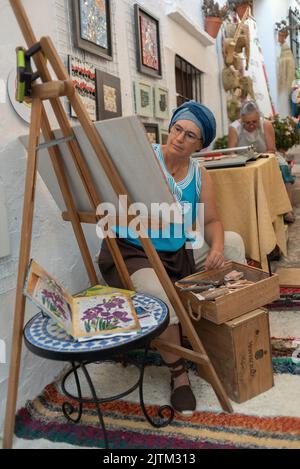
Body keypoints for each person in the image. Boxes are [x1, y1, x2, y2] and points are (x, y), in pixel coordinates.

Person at [98, 101, 246, 415]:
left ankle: (216, 333)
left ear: (200, 144)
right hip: (134, 249)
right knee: (159, 294)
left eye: (190, 135)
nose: (179, 138)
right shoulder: (144, 157)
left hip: (176, 250)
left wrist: (217, 248)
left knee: (233, 243)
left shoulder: (200, 175)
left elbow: (210, 222)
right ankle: (179, 375)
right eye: (177, 129)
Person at [228, 100, 296, 223]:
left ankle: (287, 209)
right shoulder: (234, 128)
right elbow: (231, 152)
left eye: (254, 121)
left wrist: (258, 159)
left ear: (258, 116)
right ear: (241, 119)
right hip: (243, 159)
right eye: (247, 123)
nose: (251, 125)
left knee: (283, 167)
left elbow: (271, 149)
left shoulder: (266, 125)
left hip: (266, 155)